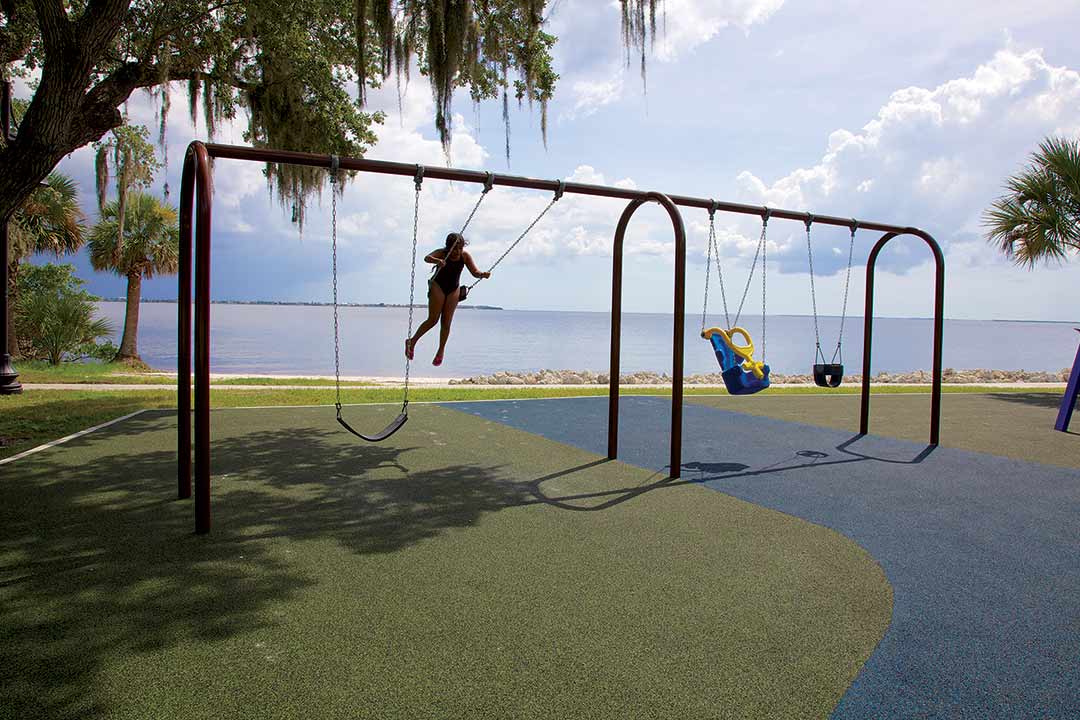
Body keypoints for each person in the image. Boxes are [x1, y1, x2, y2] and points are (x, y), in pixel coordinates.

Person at [405, 232, 490, 366]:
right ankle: (412, 341)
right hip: (438, 286)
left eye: (460, 248)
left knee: (446, 323)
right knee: (433, 320)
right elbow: (427, 258)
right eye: (454, 248)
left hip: (453, 289)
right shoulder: (442, 253)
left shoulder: (465, 256)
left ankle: (440, 351)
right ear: (448, 247)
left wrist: (482, 275)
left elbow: (475, 272)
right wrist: (437, 261)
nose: (457, 251)